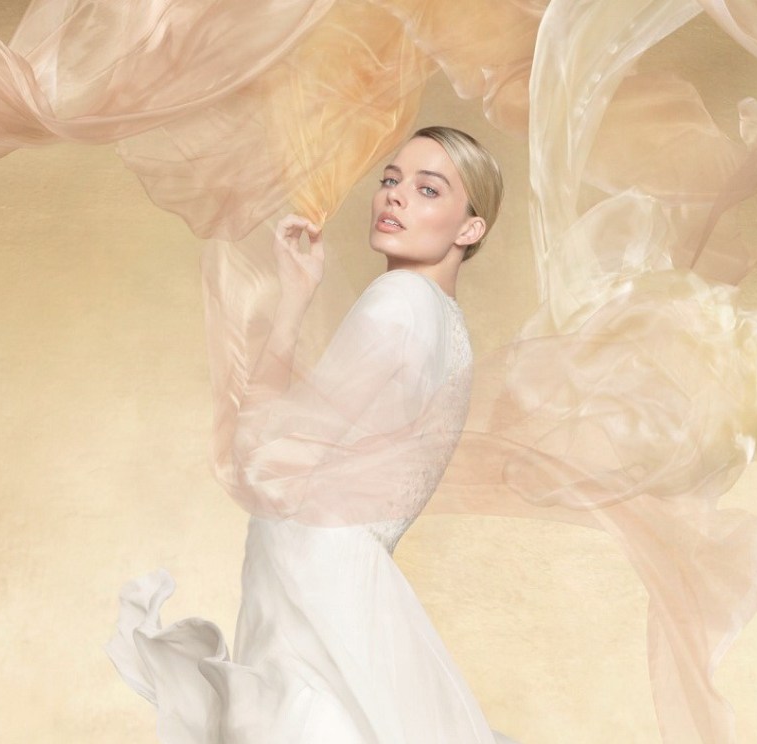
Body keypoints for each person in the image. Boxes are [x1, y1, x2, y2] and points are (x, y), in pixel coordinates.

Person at [106, 126, 513, 743]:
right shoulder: (446, 325)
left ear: (470, 228)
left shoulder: (399, 300)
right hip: (339, 587)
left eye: (428, 189)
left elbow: (260, 459)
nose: (395, 196)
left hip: (314, 595)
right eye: (390, 180)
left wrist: (290, 309)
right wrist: (296, 292)